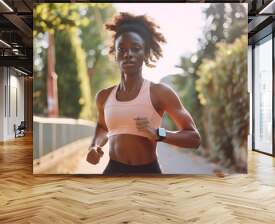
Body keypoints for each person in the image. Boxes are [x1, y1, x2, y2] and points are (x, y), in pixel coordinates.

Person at [86, 12, 201, 174]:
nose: (128, 54)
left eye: (136, 48)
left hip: (148, 171)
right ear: (115, 53)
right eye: (122, 49)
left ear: (145, 53)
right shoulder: (104, 96)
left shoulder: (160, 92)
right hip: (113, 170)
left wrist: (157, 133)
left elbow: (194, 138)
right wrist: (95, 146)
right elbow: (103, 128)